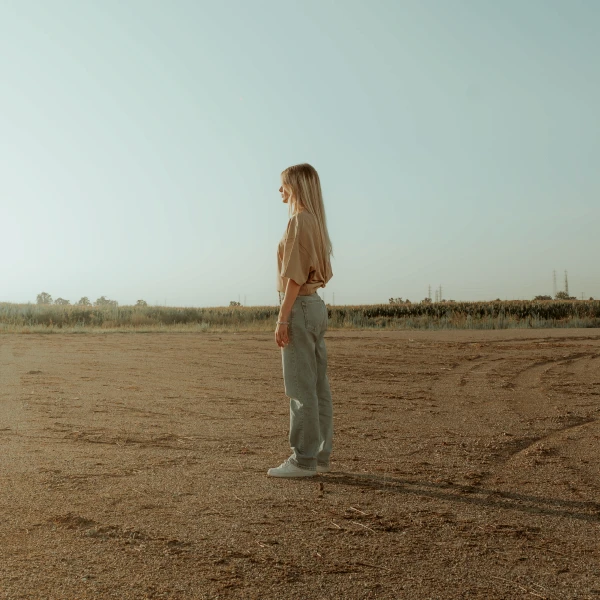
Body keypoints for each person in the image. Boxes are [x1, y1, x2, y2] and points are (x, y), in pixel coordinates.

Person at [268, 163, 334, 478]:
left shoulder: (299, 220)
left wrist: (283, 318)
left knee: (299, 386)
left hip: (300, 306)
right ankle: (319, 456)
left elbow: (294, 276)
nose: (279, 190)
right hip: (315, 305)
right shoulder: (315, 222)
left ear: (295, 186)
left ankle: (303, 460)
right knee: (318, 386)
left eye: (283, 184)